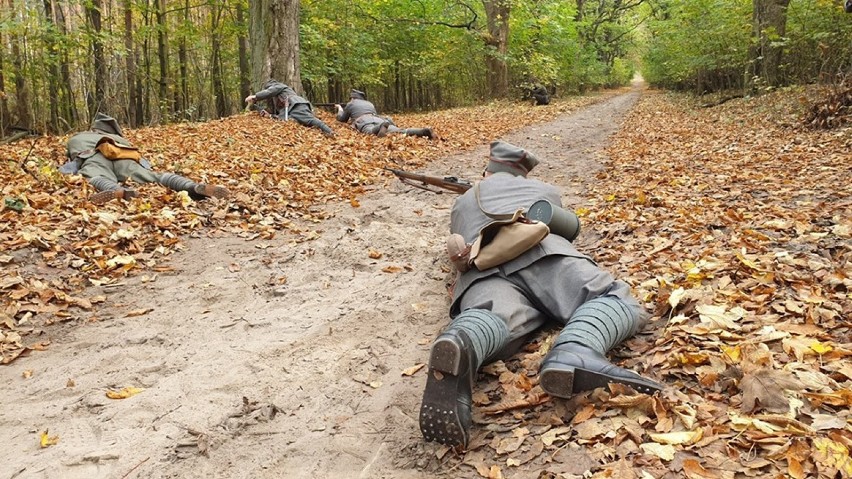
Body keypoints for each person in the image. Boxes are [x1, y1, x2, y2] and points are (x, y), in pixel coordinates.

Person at [419, 141, 662, 448]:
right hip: (545, 254)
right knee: (614, 298)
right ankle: (576, 348)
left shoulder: (463, 202)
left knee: (489, 316)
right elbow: (568, 229)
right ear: (522, 173)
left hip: (482, 271)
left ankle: (463, 341)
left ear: (487, 171)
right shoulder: (545, 190)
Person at [61, 113, 230, 205]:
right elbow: (141, 160)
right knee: (155, 177)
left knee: (97, 176)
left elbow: (73, 161)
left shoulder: (77, 137)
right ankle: (191, 186)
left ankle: (116, 191)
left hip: (93, 156)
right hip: (124, 156)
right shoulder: (121, 141)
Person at [245, 79, 335, 136]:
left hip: (296, 105)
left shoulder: (278, 86)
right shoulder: (280, 94)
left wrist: (255, 97)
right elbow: (281, 114)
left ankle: (329, 131)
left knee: (310, 120)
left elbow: (269, 92)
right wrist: (270, 116)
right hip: (291, 109)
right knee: (288, 121)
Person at [335, 89, 435, 139]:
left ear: (353, 97)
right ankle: (422, 131)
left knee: (370, 131)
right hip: (378, 118)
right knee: (399, 131)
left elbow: (342, 119)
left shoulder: (351, 104)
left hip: (364, 121)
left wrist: (339, 108)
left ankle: (381, 126)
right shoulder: (369, 103)